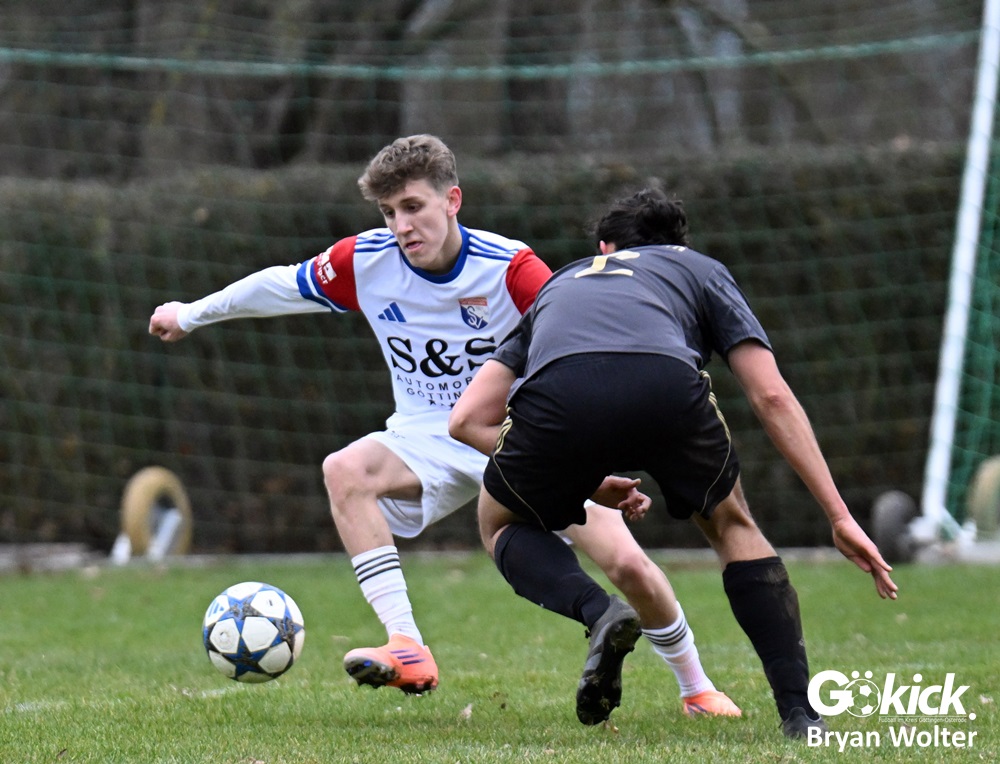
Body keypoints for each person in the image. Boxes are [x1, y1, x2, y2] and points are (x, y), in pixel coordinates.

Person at [148, 136, 740, 719]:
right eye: (389, 212)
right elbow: (280, 285)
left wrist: (595, 460)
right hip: (425, 436)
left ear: (452, 200)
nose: (401, 226)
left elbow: (582, 349)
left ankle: (697, 687)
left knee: (626, 565)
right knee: (344, 470)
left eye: (413, 207)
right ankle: (406, 645)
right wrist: (191, 315)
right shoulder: (365, 261)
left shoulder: (512, 268)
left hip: (517, 436)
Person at [448, 187, 899, 739]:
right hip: (667, 384)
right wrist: (839, 516)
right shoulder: (701, 269)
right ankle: (800, 715)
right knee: (732, 525)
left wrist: (579, 478)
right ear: (675, 243)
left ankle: (600, 611)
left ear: (604, 247)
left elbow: (466, 421)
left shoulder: (561, 283)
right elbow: (771, 395)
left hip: (558, 395)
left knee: (501, 524)